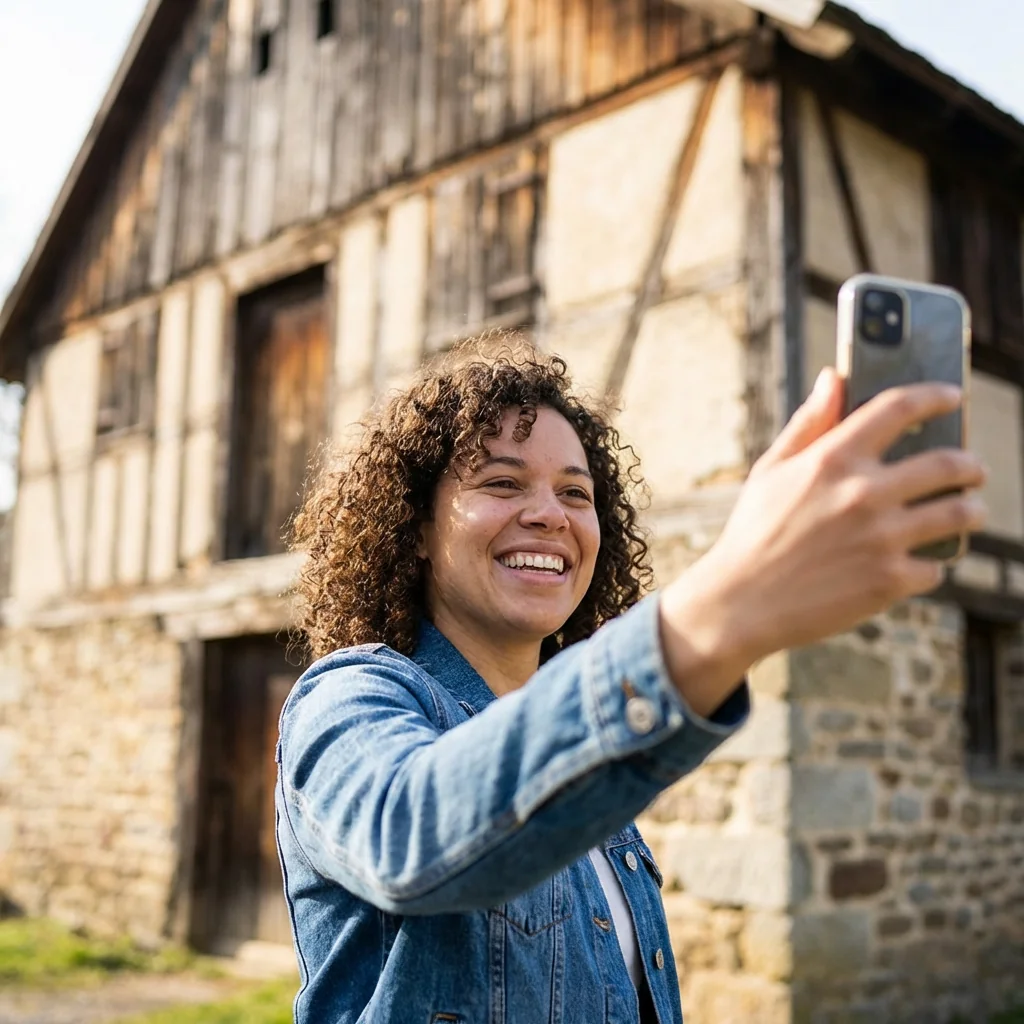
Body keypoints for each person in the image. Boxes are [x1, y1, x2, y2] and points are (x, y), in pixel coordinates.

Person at [277, 343, 986, 1023]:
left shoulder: (592, 774)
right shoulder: (348, 695)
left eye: (575, 493)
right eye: (501, 482)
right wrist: (722, 607)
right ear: (417, 528)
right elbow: (412, 840)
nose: (549, 514)